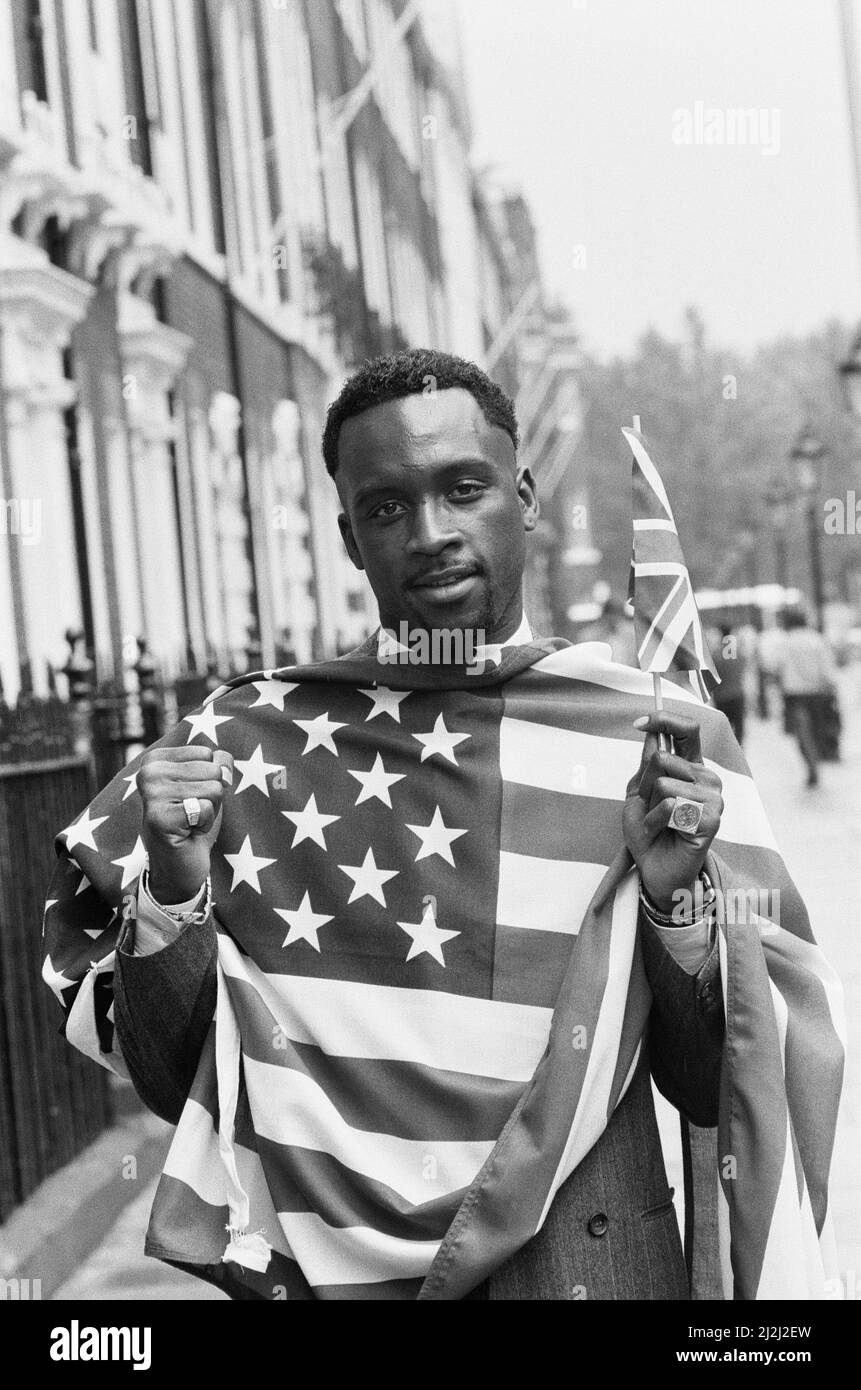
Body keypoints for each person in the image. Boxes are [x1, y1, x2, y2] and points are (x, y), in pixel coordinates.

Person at [43, 350, 842, 1301]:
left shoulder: (656, 739)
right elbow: (173, 1079)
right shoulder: (244, 743)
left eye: (463, 489)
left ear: (526, 496)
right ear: (347, 536)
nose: (430, 533)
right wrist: (172, 891)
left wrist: (674, 906)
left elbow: (720, 1080)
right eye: (386, 508)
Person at [778, 609, 838, 787]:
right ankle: (817, 762)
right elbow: (827, 668)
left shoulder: (786, 642)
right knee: (817, 729)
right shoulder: (817, 639)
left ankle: (811, 764)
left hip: (795, 695)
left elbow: (775, 665)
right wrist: (831, 687)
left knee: (802, 733)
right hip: (817, 693)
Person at [710, 625, 746, 744]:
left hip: (721, 696)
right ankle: (740, 750)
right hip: (737, 694)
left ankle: (727, 752)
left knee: (725, 728)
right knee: (739, 727)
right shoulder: (738, 653)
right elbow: (743, 668)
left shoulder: (716, 654)